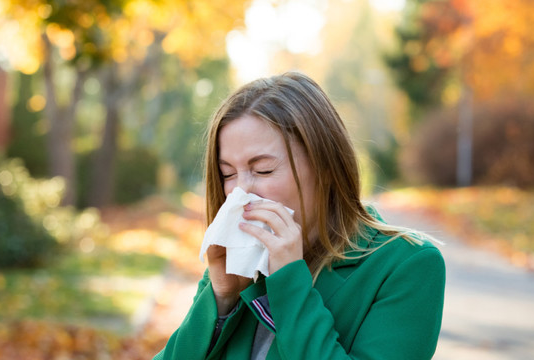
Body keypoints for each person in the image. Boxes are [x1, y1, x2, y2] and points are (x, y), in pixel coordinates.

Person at [154, 72, 445, 359]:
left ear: (326, 166)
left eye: (263, 170)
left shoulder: (407, 265)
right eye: (227, 173)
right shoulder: (239, 264)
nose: (240, 192)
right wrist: (220, 299)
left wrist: (289, 282)